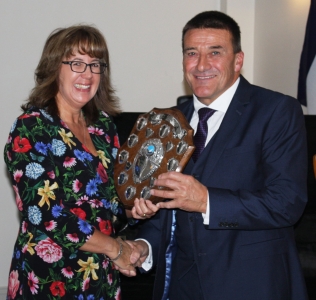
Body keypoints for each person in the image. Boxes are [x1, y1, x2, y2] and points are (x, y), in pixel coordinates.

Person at [128, 11, 309, 300]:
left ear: (238, 60)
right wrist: (143, 246)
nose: (201, 65)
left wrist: (206, 201)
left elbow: (287, 202)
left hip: (251, 285)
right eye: (192, 53)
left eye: (215, 52)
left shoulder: (277, 111)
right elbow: (165, 208)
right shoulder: (168, 122)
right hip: (179, 286)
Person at [4, 24, 136, 299]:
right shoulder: (31, 128)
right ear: (55, 68)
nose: (87, 74)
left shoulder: (103, 128)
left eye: (95, 65)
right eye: (76, 63)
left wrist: (137, 208)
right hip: (49, 280)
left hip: (100, 277)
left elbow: (112, 204)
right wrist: (116, 249)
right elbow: (47, 216)